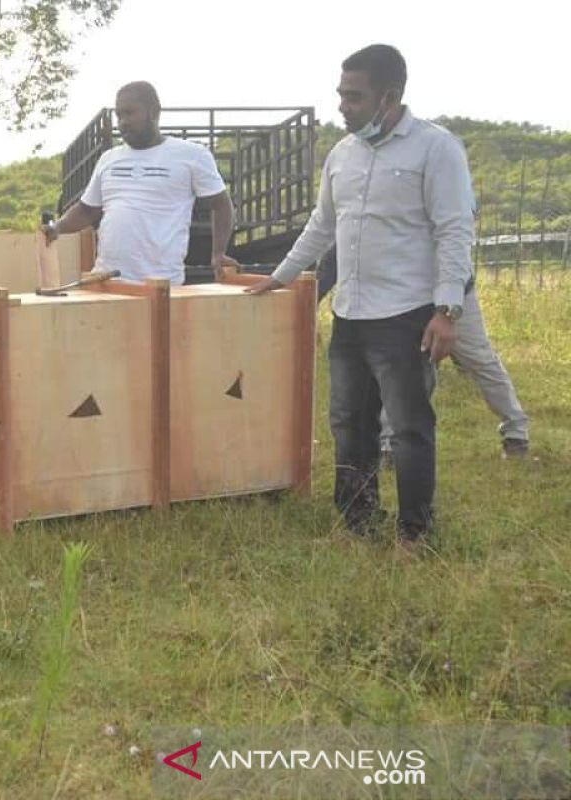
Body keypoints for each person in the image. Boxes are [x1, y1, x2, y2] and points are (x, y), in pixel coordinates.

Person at [247, 44, 475, 545]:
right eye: (341, 94)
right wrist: (280, 278)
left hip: (406, 314)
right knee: (349, 422)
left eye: (354, 96)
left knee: (410, 428)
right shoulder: (342, 154)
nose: (342, 105)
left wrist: (446, 309)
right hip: (350, 313)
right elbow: (321, 226)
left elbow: (454, 231)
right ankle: (357, 521)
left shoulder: (436, 150)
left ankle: (415, 533)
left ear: (388, 97)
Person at [316, 249, 530, 462]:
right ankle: (390, 444)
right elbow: (340, 251)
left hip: (453, 294)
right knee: (399, 367)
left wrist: (448, 307)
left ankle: (516, 433)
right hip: (404, 297)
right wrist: (311, 296)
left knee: (480, 360)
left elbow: (455, 247)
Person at [43, 81, 239, 283]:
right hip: (105, 281)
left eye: (130, 113)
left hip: (160, 286)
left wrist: (218, 253)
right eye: (119, 115)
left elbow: (221, 204)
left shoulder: (192, 155)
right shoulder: (108, 159)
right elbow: (87, 210)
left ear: (153, 112)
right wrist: (57, 228)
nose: (123, 122)